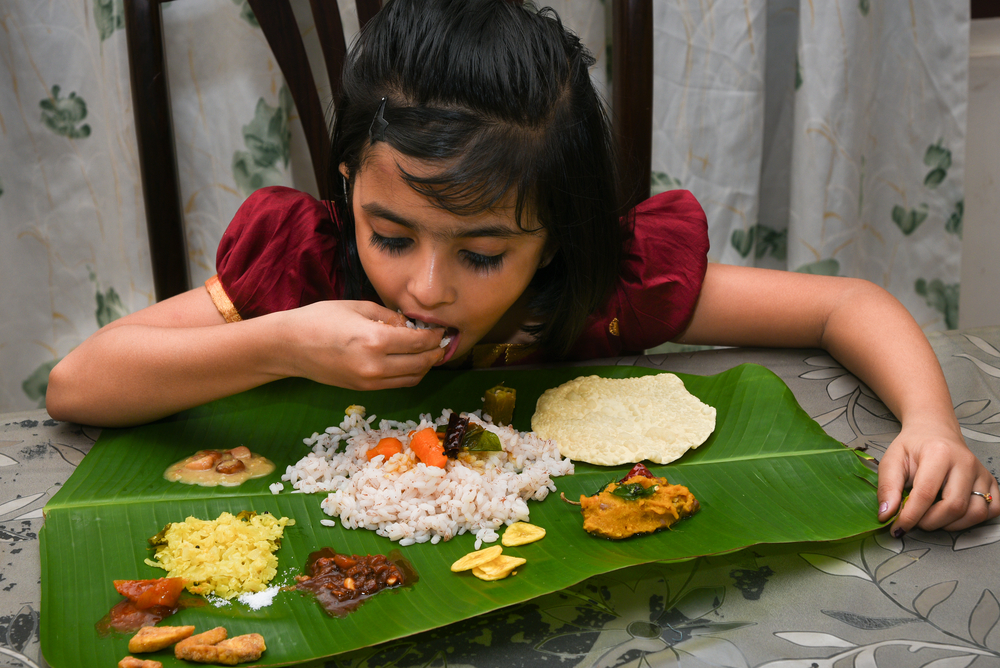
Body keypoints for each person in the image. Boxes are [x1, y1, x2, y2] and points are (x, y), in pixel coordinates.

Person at [46, 0, 998, 538]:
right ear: (345, 191)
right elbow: (78, 383)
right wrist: (279, 342)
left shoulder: (605, 285)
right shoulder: (303, 271)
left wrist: (931, 423)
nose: (425, 285)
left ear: (557, 235)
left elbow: (843, 306)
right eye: (391, 235)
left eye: (484, 253)